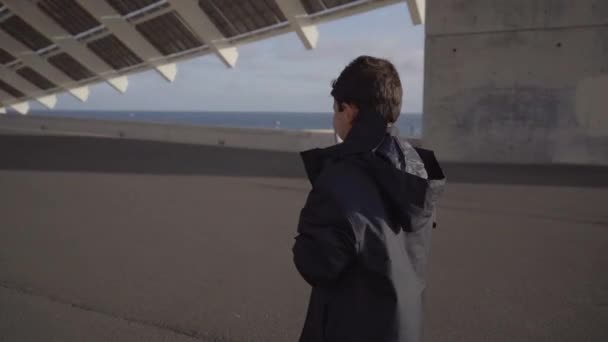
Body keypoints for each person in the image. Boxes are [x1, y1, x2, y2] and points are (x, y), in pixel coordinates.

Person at [293, 56, 446, 342]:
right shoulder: (416, 168)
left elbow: (317, 263)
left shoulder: (341, 178)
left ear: (348, 110)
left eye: (336, 109)